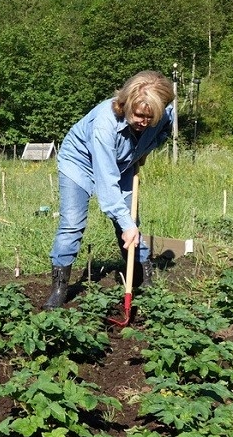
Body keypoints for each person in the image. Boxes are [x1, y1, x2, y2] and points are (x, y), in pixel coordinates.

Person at [43, 70, 175, 310]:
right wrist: (124, 222)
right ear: (125, 104)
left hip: (124, 164)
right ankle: (59, 288)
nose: (144, 122)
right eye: (138, 115)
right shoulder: (105, 123)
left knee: (131, 223)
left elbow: (166, 127)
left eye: (150, 117)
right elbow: (106, 180)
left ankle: (142, 279)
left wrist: (148, 146)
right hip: (80, 164)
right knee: (72, 224)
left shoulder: (164, 114)